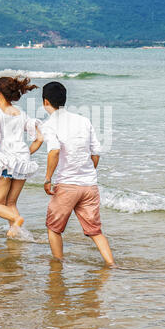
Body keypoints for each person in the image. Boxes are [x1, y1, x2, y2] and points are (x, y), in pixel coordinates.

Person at [41, 82, 116, 267]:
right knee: (95, 231)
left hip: (67, 185)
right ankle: (112, 264)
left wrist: (48, 178)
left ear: (45, 101)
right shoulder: (83, 121)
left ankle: (58, 266)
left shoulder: (50, 125)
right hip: (89, 185)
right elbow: (96, 152)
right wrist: (88, 172)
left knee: (54, 228)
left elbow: (54, 152)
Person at [0, 76, 43, 237]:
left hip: (6, 162)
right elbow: (40, 138)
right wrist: (25, 153)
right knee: (11, 202)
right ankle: (16, 234)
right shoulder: (21, 113)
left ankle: (17, 219)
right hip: (22, 162)